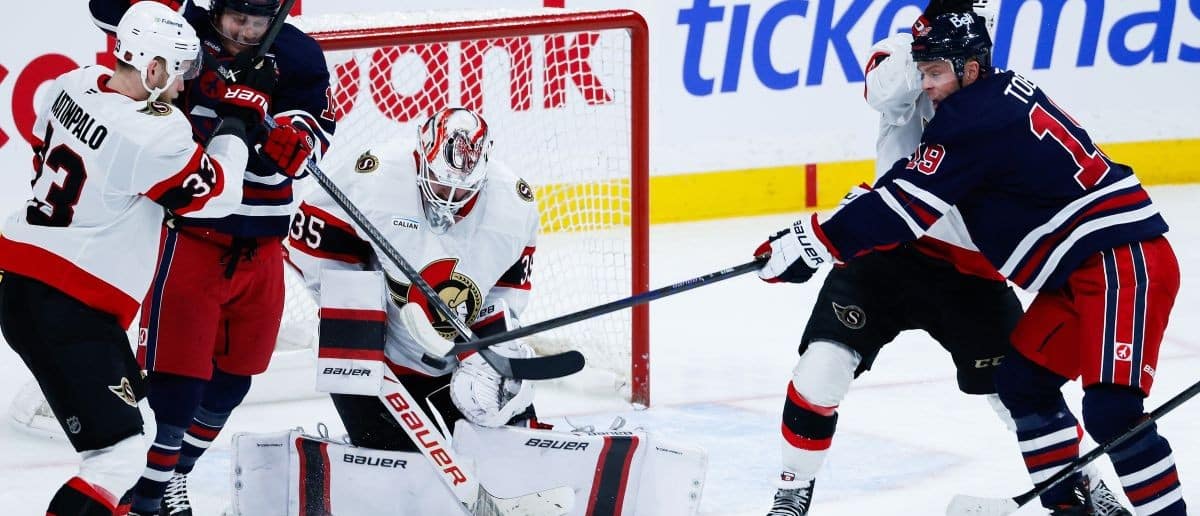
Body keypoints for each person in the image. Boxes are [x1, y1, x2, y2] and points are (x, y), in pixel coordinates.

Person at [757, 11, 1184, 516]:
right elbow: (881, 91)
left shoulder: (973, 116)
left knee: (1110, 410)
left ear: (973, 66)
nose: (928, 85)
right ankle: (1070, 506)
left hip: (1104, 261)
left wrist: (816, 237)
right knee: (1021, 385)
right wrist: (930, 43)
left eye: (936, 73)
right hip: (905, 262)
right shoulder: (941, 72)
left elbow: (908, 204)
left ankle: (1097, 491)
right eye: (925, 72)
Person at [0, 1, 281, 513]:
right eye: (176, 73)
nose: (181, 87)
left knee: (124, 450)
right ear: (152, 68)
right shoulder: (156, 133)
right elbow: (218, 196)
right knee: (122, 458)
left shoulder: (74, 82)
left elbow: (46, 148)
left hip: (18, 285)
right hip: (71, 308)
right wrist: (238, 120)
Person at [88, 1, 332, 514]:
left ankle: (173, 474)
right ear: (215, 10)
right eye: (233, 19)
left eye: (256, 22)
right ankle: (150, 493)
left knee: (236, 378)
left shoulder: (301, 57)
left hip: (263, 246)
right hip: (190, 236)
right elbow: (106, 7)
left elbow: (292, 158)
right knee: (177, 380)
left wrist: (272, 126)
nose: (243, 31)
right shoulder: (182, 30)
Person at [288, 107, 542, 454]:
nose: (449, 198)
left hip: (459, 358)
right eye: (440, 182)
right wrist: (362, 311)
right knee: (394, 466)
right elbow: (309, 246)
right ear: (421, 156)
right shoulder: (374, 176)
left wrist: (488, 349)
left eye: (462, 190)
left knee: (511, 456)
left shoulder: (514, 206)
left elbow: (505, 292)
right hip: (378, 350)